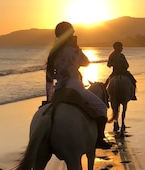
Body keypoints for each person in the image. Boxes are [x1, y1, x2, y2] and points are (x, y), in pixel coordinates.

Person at [45, 21, 112, 149]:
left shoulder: (53, 53)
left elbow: (49, 79)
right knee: (102, 108)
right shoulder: (74, 51)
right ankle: (99, 139)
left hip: (59, 88)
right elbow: (86, 62)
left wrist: (49, 99)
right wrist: (77, 47)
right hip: (75, 87)